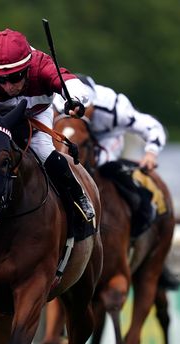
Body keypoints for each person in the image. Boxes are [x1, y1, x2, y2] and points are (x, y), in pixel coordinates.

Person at [0, 29, 95, 221]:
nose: (8, 86)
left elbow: (68, 81)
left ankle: (78, 197)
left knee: (44, 151)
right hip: (0, 114)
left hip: (37, 113)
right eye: (1, 80)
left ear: (27, 68)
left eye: (15, 77)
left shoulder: (41, 64)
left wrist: (74, 100)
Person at [52, 74, 167, 236]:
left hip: (107, 137)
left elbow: (151, 126)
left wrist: (151, 153)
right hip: (67, 136)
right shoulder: (53, 103)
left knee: (104, 165)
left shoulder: (113, 107)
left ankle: (139, 210)